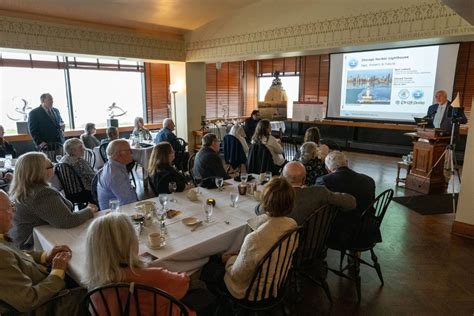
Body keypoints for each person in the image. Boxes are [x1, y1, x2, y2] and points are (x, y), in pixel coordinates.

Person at [83, 213, 197, 316]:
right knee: (201, 293)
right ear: (129, 243)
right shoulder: (154, 276)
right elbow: (183, 284)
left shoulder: (94, 281)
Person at [203, 177, 298, 301]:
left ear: (265, 202)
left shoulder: (255, 239)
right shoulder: (292, 225)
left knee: (209, 267)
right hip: (277, 280)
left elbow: (237, 276)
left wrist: (230, 260)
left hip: (253, 292)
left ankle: (223, 304)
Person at [0, 191, 86, 314]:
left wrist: (45, 256)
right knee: (103, 290)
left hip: (42, 285)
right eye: (9, 208)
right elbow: (29, 300)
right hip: (46, 307)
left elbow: (15, 255)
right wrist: (57, 272)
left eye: (12, 205)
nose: (13, 212)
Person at [8, 152, 97, 250]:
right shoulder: (42, 193)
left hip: (20, 240)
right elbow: (67, 221)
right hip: (35, 245)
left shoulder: (22, 189)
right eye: (50, 165)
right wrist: (89, 210)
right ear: (38, 171)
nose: (54, 166)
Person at [256, 161, 356, 225]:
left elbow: (259, 211)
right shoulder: (320, 192)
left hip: (285, 249)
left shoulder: (276, 198)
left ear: (283, 178)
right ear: (304, 179)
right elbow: (351, 202)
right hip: (315, 244)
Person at [316, 151, 377, 246]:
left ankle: (319, 255)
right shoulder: (368, 180)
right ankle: (354, 256)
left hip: (339, 233)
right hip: (368, 230)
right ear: (347, 162)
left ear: (328, 169)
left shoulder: (324, 181)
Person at [97, 139, 137, 210]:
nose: (132, 153)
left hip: (119, 208)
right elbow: (128, 202)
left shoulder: (113, 166)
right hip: (115, 214)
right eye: (129, 150)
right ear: (119, 154)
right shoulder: (115, 175)